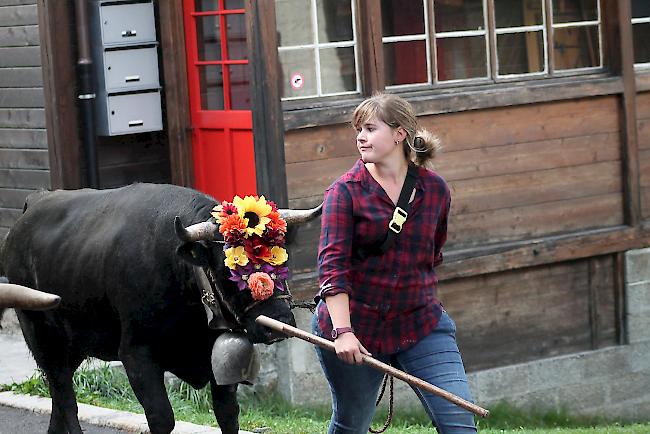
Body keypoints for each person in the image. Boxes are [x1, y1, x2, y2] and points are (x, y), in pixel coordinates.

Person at [312, 92, 477, 434]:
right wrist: (343, 332)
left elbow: (432, 255)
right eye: (358, 129)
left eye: (370, 128)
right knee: (352, 423)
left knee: (459, 421)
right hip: (356, 329)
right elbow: (332, 270)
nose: (361, 137)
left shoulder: (435, 191)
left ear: (399, 133)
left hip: (421, 323)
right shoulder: (344, 193)